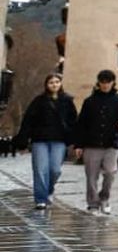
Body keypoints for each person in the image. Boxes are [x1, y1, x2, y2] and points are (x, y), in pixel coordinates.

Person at [17, 72, 76, 210]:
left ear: (60, 84)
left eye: (57, 82)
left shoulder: (67, 101)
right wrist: (23, 140)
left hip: (59, 140)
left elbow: (73, 121)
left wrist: (74, 139)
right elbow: (28, 120)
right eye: (51, 82)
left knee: (55, 170)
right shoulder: (39, 101)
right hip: (40, 140)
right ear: (46, 85)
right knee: (40, 169)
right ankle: (41, 199)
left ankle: (49, 189)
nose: (54, 85)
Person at [76, 69, 118, 216]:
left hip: (111, 143)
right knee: (91, 176)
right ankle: (93, 203)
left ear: (113, 83)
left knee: (110, 173)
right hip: (91, 143)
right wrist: (78, 145)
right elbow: (81, 124)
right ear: (98, 83)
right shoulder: (89, 101)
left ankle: (104, 198)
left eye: (108, 82)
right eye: (103, 82)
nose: (105, 85)